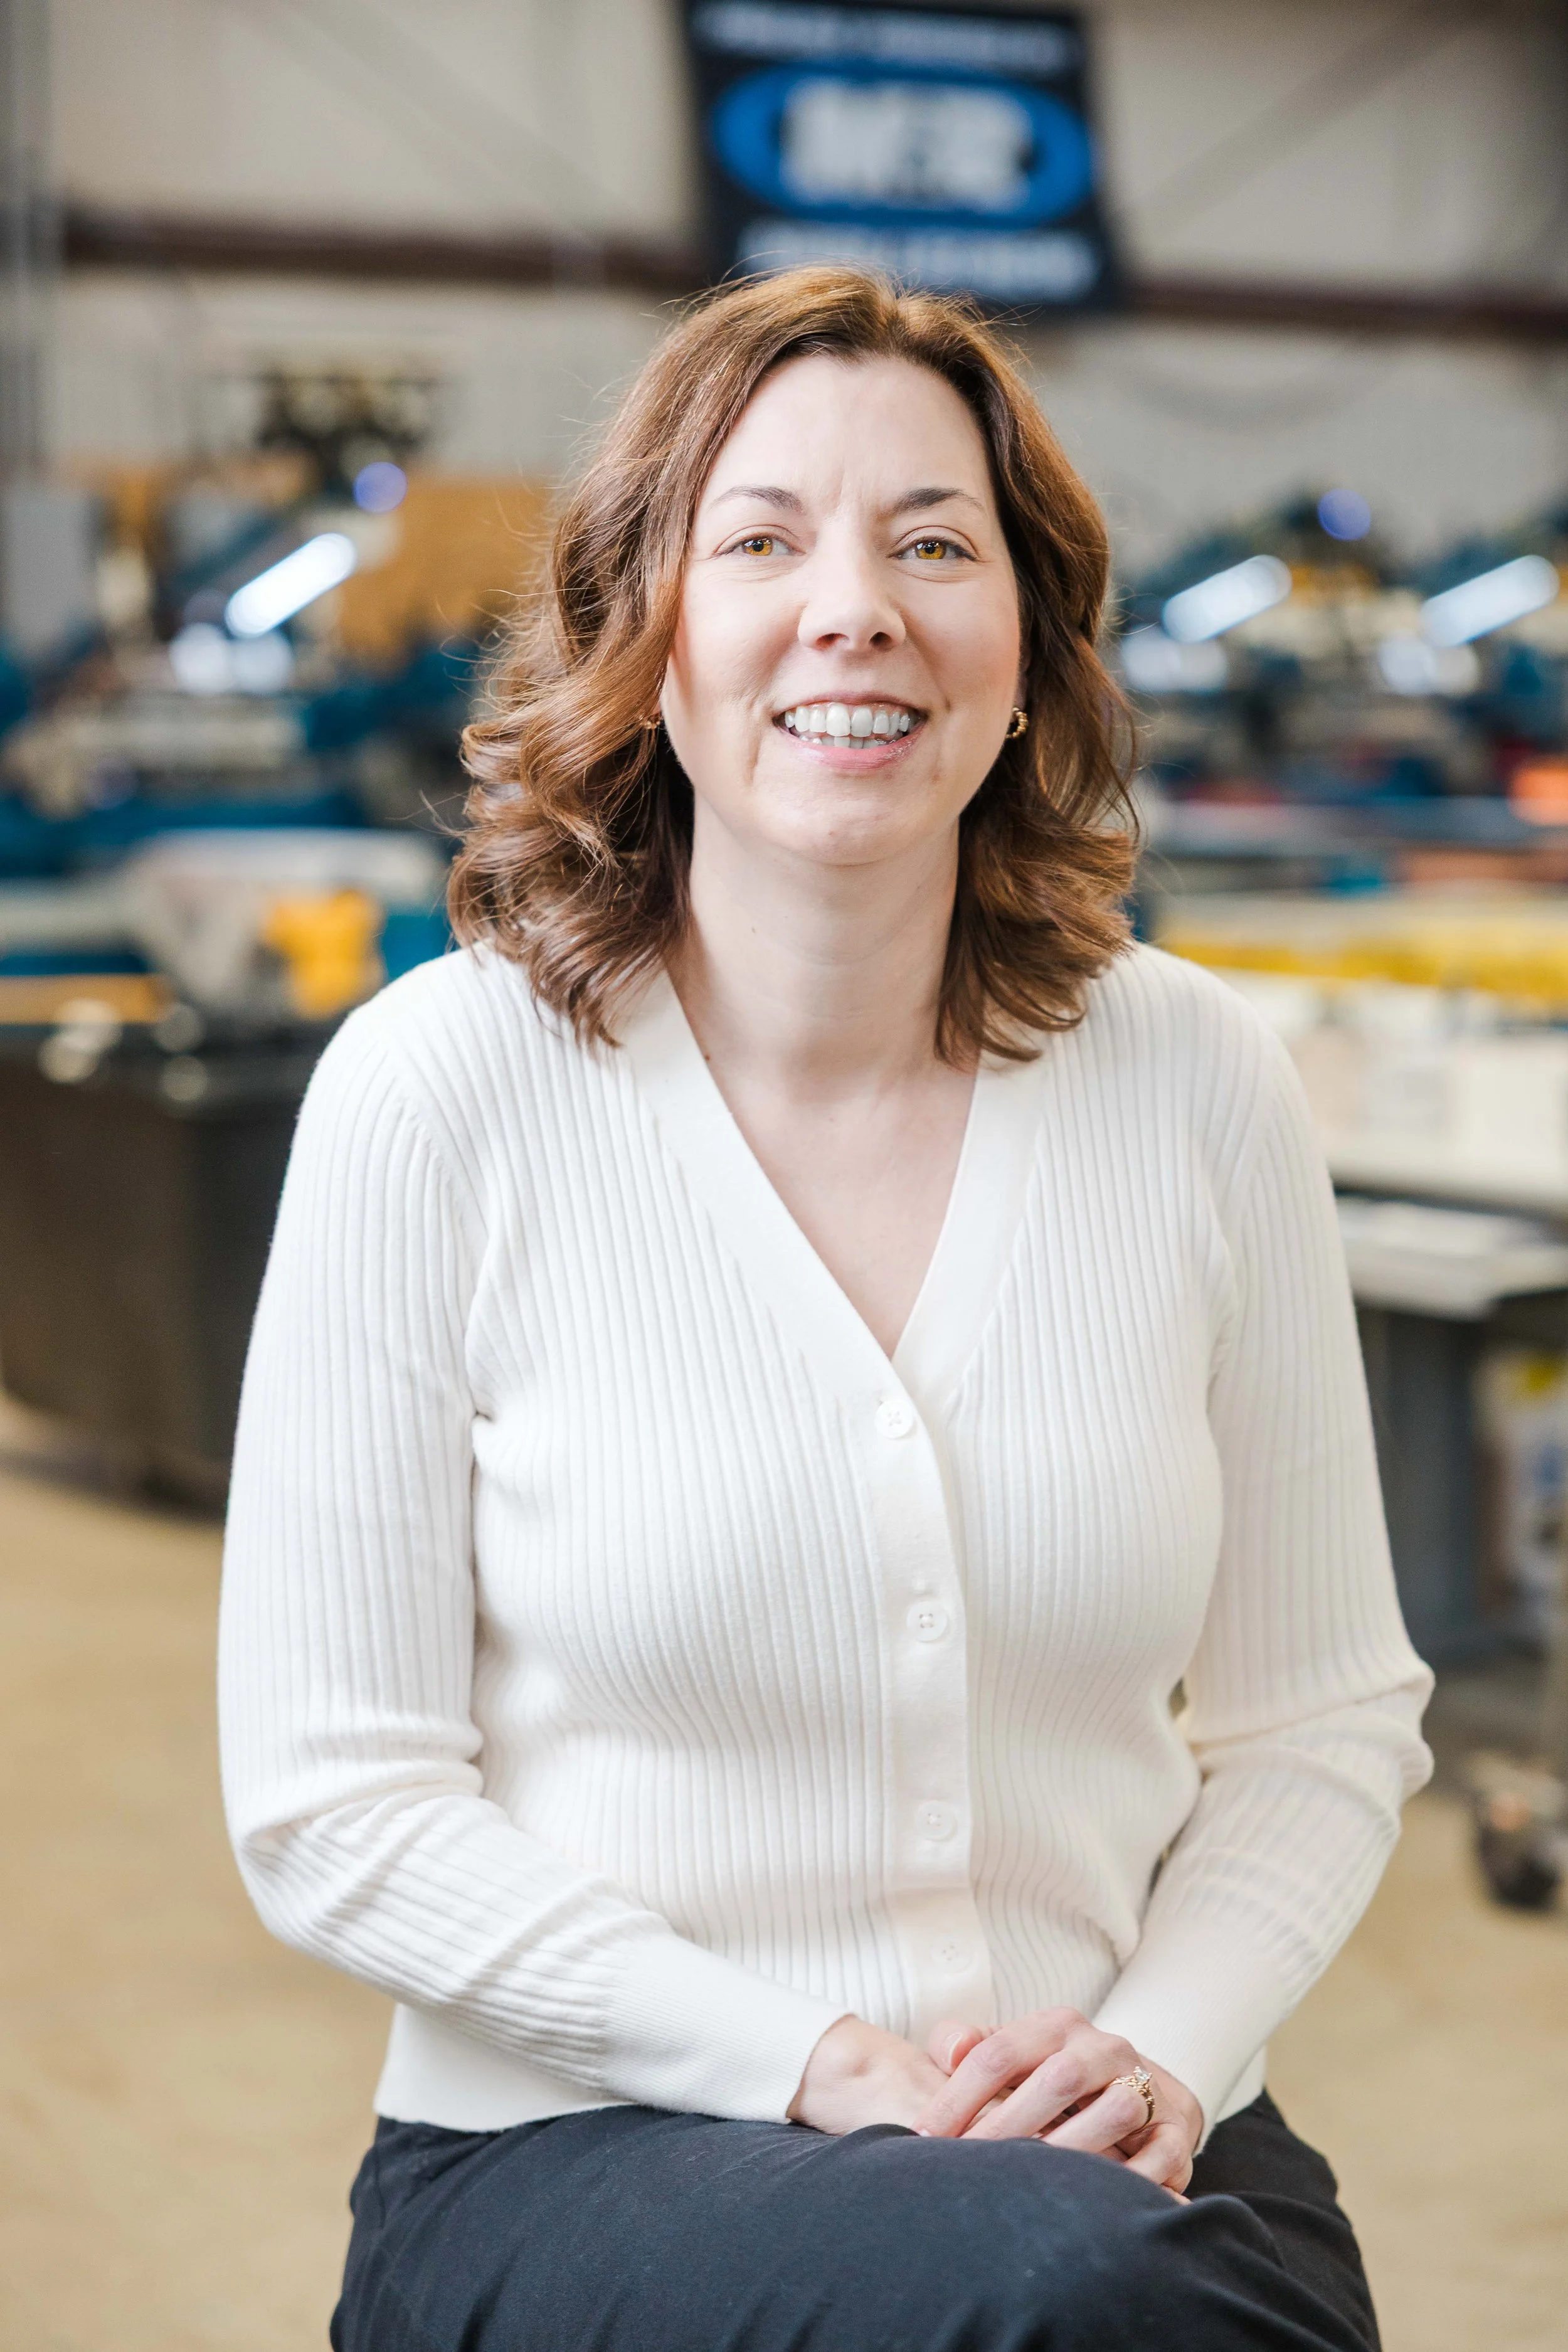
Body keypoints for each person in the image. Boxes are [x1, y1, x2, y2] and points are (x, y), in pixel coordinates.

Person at [218, 267, 1432, 2352]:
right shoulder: (440, 1095)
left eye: (932, 543)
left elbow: (1319, 1718)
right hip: (578, 2142)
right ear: (647, 638)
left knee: (1144, 2294)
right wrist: (827, 2072)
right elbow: (334, 1802)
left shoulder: (1198, 1084)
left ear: (1029, 646)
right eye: (761, 540)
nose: (852, 606)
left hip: (1119, 2150)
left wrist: (1154, 2050)